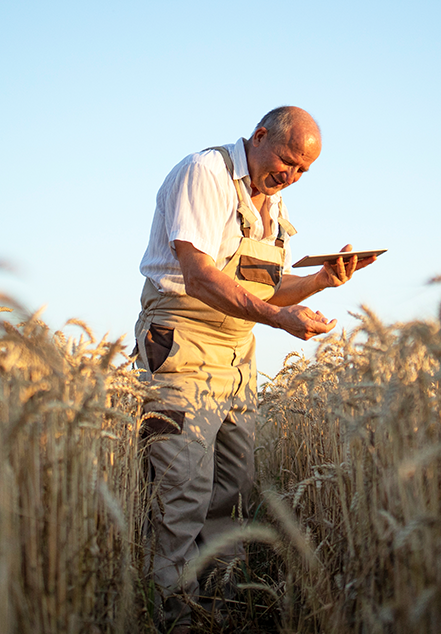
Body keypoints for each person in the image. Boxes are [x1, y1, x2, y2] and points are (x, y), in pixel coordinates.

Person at [134, 106, 373, 631]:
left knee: (230, 498)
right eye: (287, 161)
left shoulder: (273, 204)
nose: (291, 176)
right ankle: (177, 622)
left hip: (237, 358)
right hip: (182, 348)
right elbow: (198, 275)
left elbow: (266, 288)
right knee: (183, 499)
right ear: (260, 136)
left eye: (303, 171)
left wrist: (320, 283)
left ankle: (219, 614)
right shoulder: (207, 173)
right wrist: (278, 319)